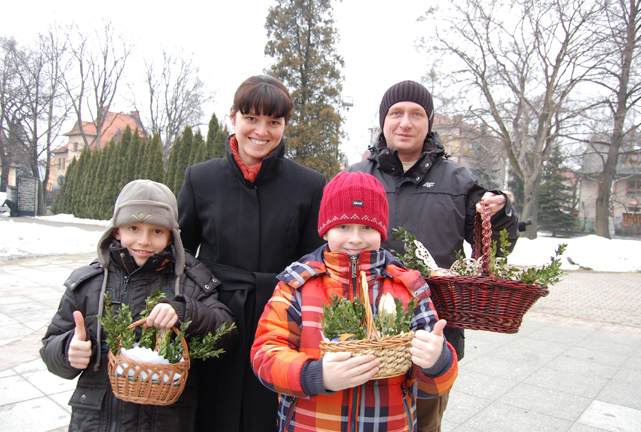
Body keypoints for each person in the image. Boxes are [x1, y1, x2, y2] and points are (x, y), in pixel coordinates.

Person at [350, 80, 518, 431]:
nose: (405, 122)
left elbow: (492, 247)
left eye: (416, 114)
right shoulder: (357, 176)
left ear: (429, 123)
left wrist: (500, 214)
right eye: (396, 113)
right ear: (383, 121)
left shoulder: (457, 180)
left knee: (424, 422)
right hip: (362, 328)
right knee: (359, 418)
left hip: (433, 332)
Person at [250, 171, 458, 431]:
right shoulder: (298, 284)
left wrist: (437, 361)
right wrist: (316, 375)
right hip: (311, 424)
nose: (356, 238)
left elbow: (436, 385)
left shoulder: (407, 287)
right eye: (343, 227)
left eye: (367, 227)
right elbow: (265, 355)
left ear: (381, 231)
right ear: (325, 231)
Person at [177, 75, 326, 432]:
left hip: (280, 321)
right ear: (234, 117)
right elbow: (180, 253)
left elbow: (314, 261)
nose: (261, 131)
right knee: (212, 412)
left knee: (270, 413)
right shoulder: (201, 179)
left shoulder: (309, 184)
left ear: (284, 125)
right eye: (252, 118)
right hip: (214, 317)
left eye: (274, 122)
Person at [40, 179, 233, 431]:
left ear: (171, 235)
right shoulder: (89, 283)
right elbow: (50, 346)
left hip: (166, 421)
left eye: (156, 231)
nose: (144, 241)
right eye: (133, 228)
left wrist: (185, 311)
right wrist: (67, 350)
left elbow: (226, 331)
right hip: (97, 421)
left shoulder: (190, 281)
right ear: (116, 230)